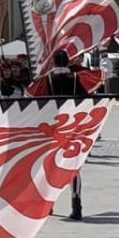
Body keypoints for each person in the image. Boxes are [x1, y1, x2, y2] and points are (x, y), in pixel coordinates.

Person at [31, 51, 97, 221]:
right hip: (74, 126)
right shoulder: (77, 78)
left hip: (52, 126)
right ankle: (77, 204)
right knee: (74, 167)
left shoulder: (45, 80)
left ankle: (48, 205)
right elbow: (89, 94)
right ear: (68, 62)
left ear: (53, 63)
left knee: (49, 166)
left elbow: (32, 97)